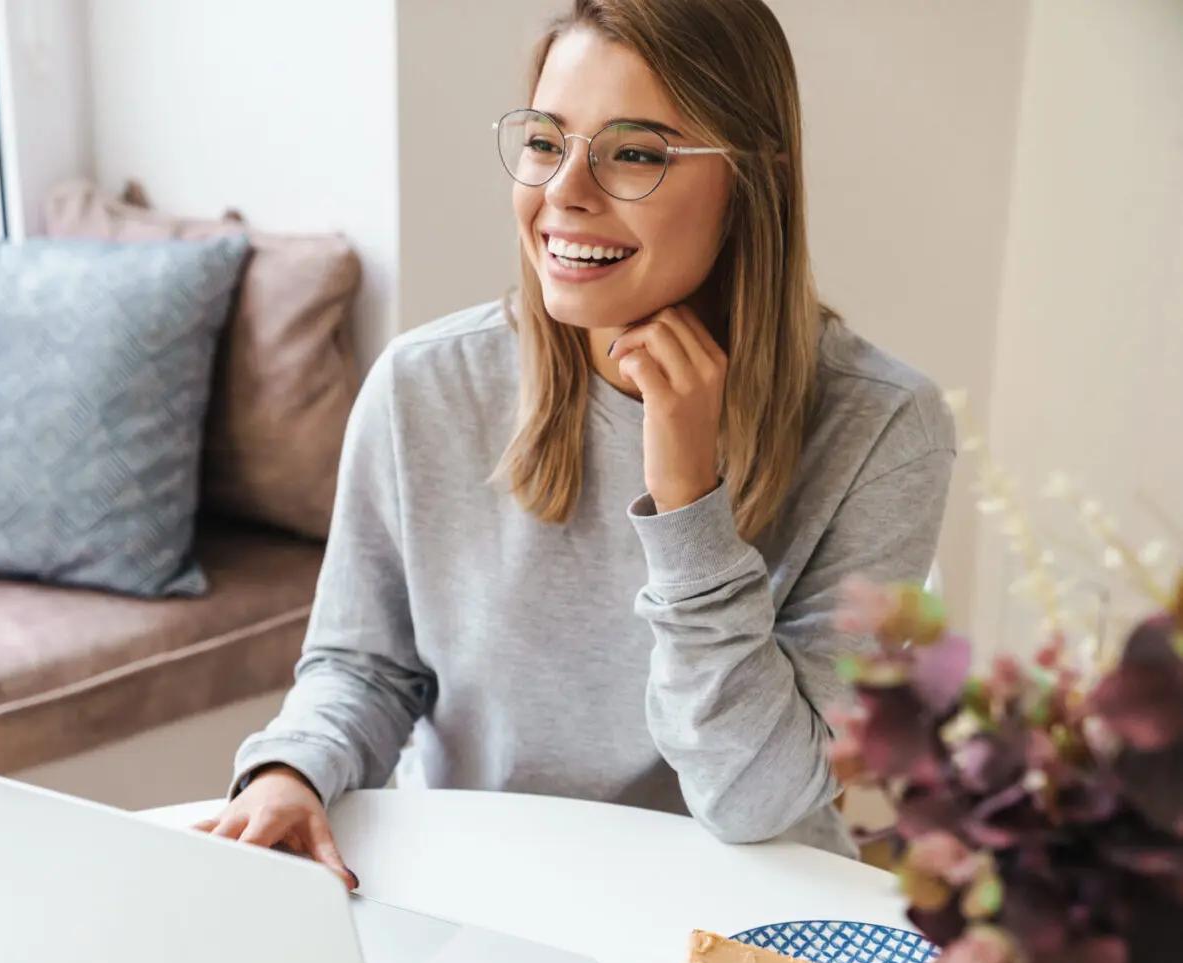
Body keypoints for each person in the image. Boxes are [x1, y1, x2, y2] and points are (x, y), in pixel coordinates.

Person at [194, 0, 954, 887]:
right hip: (476, 888)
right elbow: (365, 666)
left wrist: (688, 508)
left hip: (737, 914)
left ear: (755, 179)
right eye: (547, 143)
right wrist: (292, 768)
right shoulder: (425, 385)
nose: (564, 193)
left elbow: (758, 801)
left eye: (633, 152)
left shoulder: (883, 427)